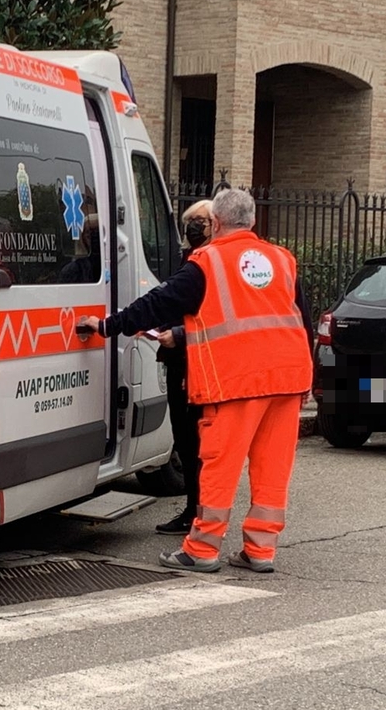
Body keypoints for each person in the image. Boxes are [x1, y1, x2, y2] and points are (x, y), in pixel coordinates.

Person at [78, 188, 314, 574]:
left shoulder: (208, 262)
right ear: (252, 222)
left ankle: (202, 548)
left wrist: (107, 325)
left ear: (216, 223)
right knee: (272, 469)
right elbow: (301, 320)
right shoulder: (281, 260)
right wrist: (308, 378)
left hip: (237, 381)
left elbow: (157, 304)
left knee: (218, 466)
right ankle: (260, 550)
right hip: (288, 378)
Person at [150, 200, 214, 535]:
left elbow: (215, 319)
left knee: (199, 444)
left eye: (200, 221)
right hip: (180, 363)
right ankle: (195, 509)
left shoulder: (209, 264)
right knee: (185, 440)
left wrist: (177, 334)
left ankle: (200, 513)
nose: (193, 227)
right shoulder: (187, 260)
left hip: (202, 366)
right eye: (190, 221)